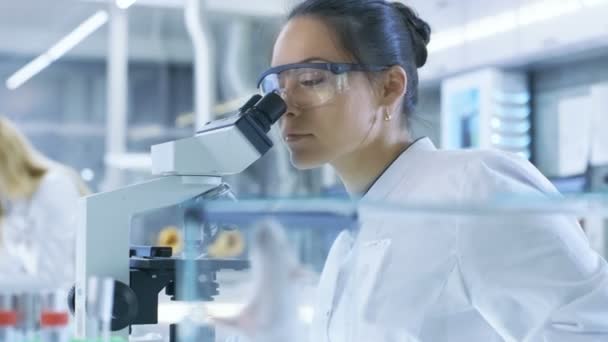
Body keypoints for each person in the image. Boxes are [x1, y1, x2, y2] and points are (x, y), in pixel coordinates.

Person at [216, 0, 608, 341]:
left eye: (312, 80)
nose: (287, 106)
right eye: (278, 88)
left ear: (389, 87)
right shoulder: (348, 244)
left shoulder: (471, 187)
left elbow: (589, 328)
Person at [0, 116, 89, 286]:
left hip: (64, 306)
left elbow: (51, 279)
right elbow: (11, 266)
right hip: (35, 306)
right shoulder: (14, 202)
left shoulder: (54, 187)